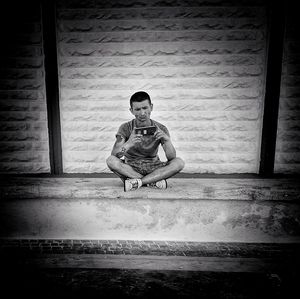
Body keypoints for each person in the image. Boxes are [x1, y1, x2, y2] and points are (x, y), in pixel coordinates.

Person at [106, 91, 185, 192]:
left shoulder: (161, 128)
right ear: (131, 111)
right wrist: (129, 143)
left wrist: (167, 140)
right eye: (137, 109)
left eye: (145, 108)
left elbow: (171, 157)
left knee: (179, 162)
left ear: (151, 107)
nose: (142, 113)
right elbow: (114, 155)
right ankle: (153, 181)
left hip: (154, 167)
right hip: (131, 168)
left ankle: (138, 182)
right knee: (110, 161)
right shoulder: (125, 128)